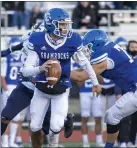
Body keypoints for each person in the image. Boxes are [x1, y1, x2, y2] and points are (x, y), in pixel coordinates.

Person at [21, 8, 101, 148]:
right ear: (51, 24)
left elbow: (85, 63)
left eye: (66, 24)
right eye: (62, 24)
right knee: (34, 126)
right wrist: (40, 68)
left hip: (62, 88)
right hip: (41, 88)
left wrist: (95, 82)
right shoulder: (38, 39)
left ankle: (55, 141)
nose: (66, 28)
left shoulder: (73, 40)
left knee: (56, 125)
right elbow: (25, 71)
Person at [1, 21, 74, 147]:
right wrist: (7, 51)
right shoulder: (30, 39)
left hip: (43, 90)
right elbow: (20, 45)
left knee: (48, 127)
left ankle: (65, 120)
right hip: (26, 86)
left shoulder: (56, 46)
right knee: (5, 116)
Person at [72, 62, 104, 147]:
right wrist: (84, 70)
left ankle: (99, 141)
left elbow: (101, 81)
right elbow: (79, 84)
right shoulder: (78, 65)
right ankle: (85, 141)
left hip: (96, 92)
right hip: (84, 93)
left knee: (98, 117)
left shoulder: (96, 63)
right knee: (85, 117)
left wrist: (94, 71)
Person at [1, 37, 23, 147]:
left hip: (18, 88)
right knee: (6, 116)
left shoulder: (23, 58)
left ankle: (12, 142)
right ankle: (4, 142)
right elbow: (2, 77)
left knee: (17, 117)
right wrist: (5, 90)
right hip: (8, 88)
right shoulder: (7, 58)